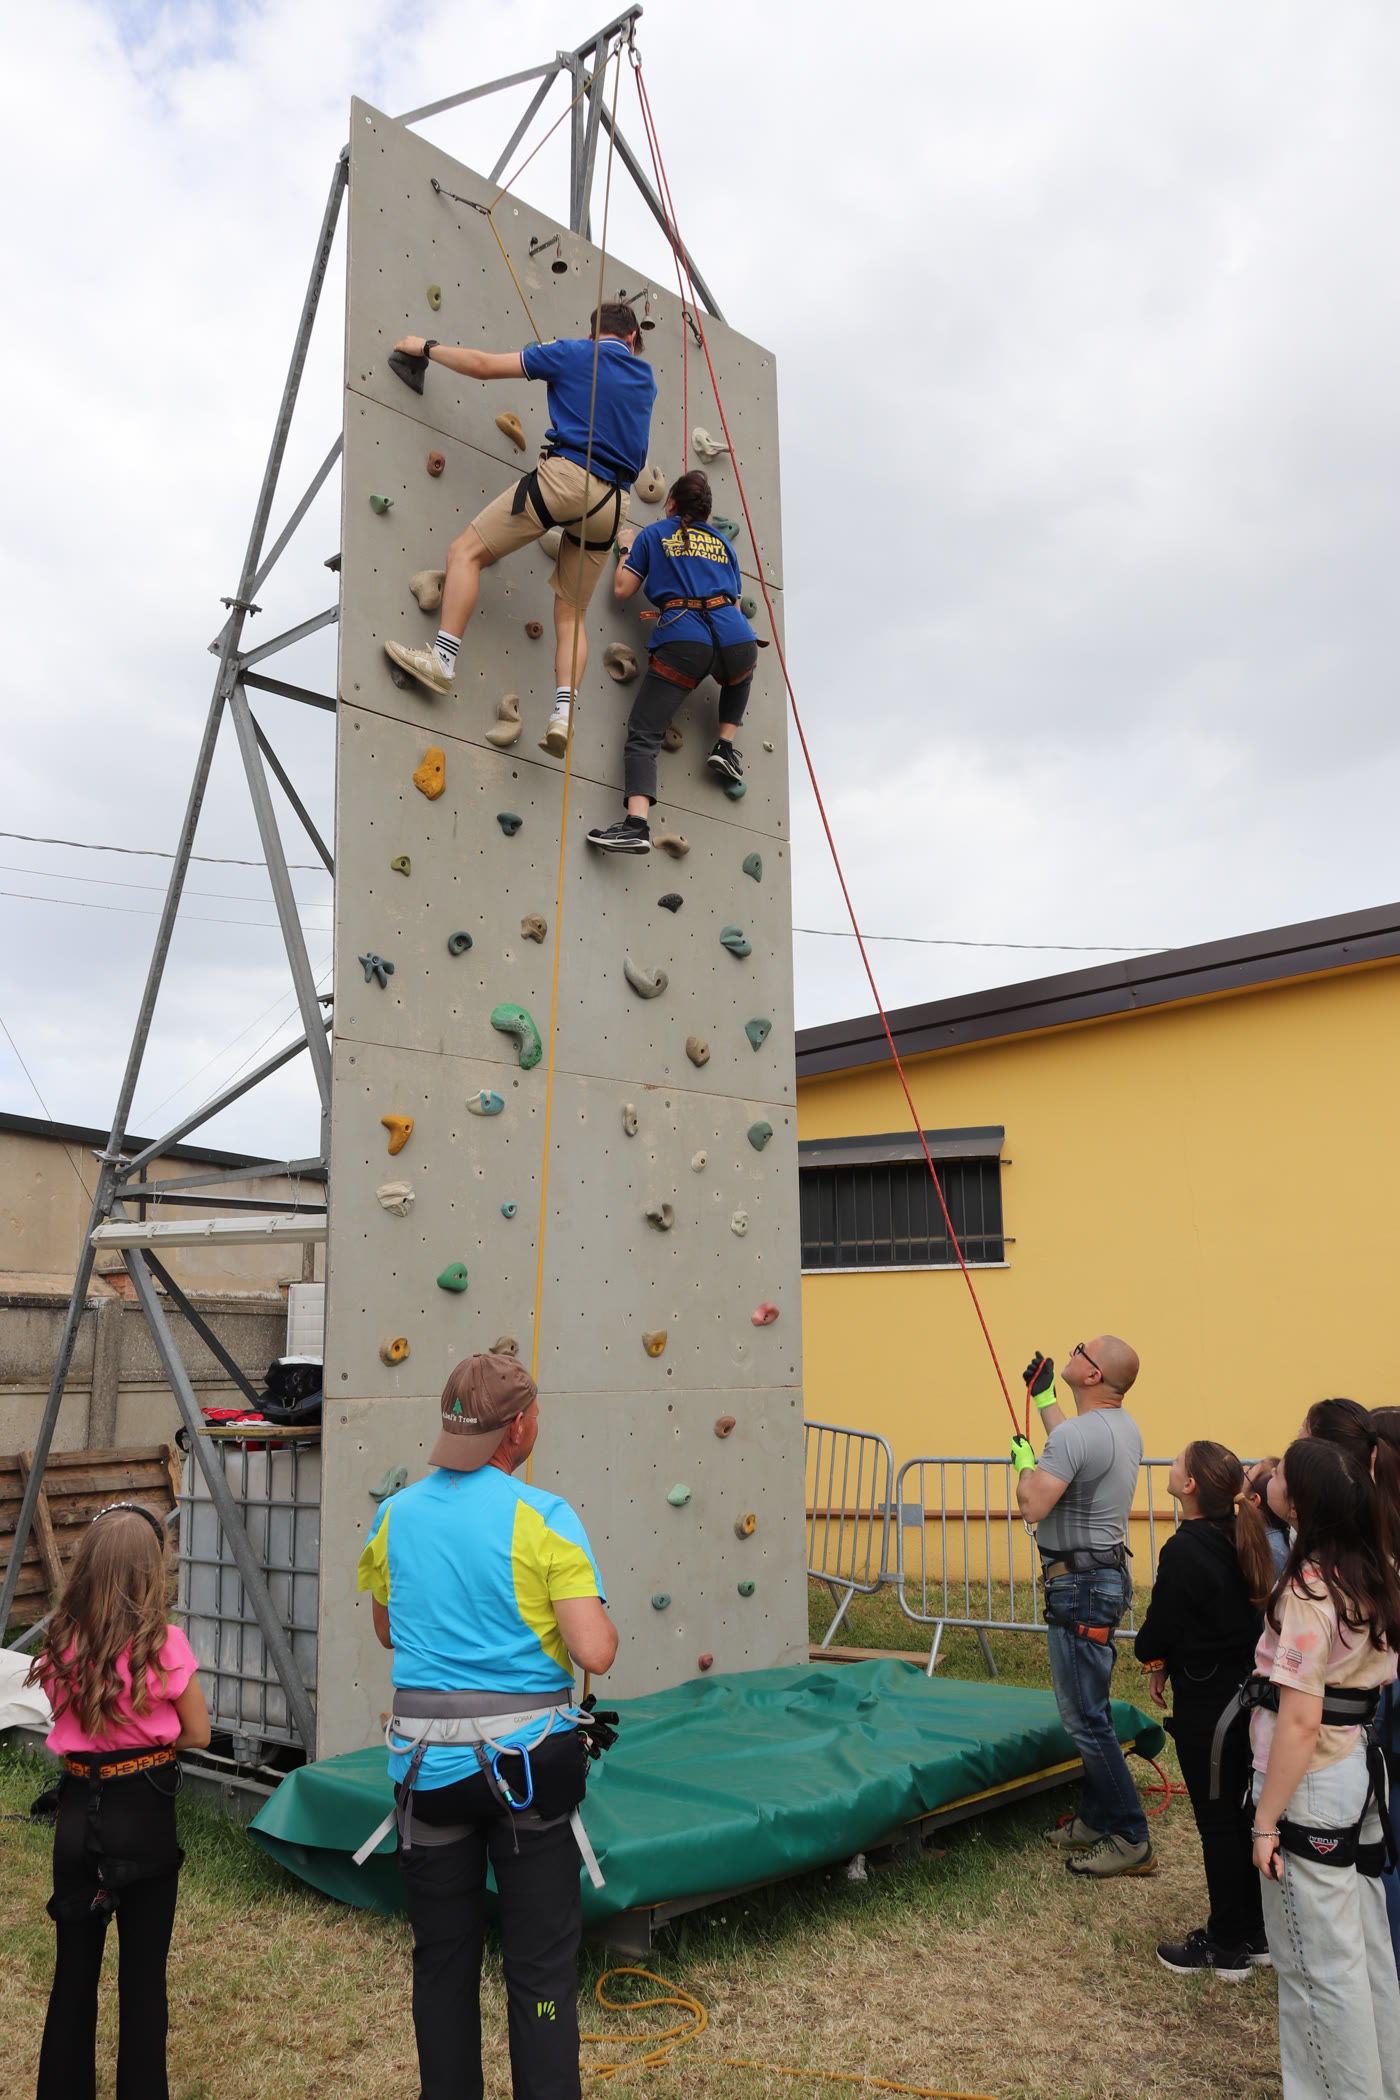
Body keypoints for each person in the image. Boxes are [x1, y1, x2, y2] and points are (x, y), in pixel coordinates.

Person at [356, 1352, 618, 2100]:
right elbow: (594, 1651)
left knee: (442, 1964)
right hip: (526, 1774)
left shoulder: (395, 1515)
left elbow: (387, 1631)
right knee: (540, 1971)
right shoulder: (545, 1517)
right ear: (520, 1427)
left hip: (426, 1773)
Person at [382, 304, 658, 755]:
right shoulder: (646, 381)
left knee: (465, 552)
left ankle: (442, 661)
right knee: (572, 614)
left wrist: (425, 346)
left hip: (566, 479)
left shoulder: (573, 352)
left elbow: (482, 366)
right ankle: (563, 715)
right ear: (632, 339)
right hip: (613, 505)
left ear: (594, 335)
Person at [27, 1502, 210, 2100]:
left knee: (73, 1974)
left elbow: (67, 1716)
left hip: (77, 1812)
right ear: (148, 1571)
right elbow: (198, 1732)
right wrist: (147, 1737)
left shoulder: (59, 1644)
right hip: (144, 1812)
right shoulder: (166, 1644)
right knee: (143, 1979)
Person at [1247, 1438, 1400, 2097]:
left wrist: (1266, 1822)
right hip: (1355, 1770)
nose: (1270, 1473)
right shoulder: (1373, 1571)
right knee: (1363, 1950)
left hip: (1310, 1781)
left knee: (1316, 1967)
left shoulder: (1310, 1592)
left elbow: (1300, 1720)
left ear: (1300, 1504)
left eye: (1281, 1470)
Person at [1012, 1337, 1156, 1878]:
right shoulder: (1121, 1426)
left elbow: (1034, 1504)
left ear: (1094, 1376)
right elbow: (1074, 1449)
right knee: (1092, 1710)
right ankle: (1096, 1819)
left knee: (1084, 1718)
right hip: (1100, 1580)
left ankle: (1131, 1836)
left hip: (1079, 1586)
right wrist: (1045, 1399)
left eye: (1080, 1351)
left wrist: (1024, 1467)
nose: (1071, 1354)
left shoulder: (1077, 1435)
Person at [1134, 1441, 1274, 1977]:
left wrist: (1153, 1654)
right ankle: (1254, 1930)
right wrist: (1166, 1658)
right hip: (1241, 1696)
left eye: (1177, 1463)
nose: (1170, 1467)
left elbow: (1160, 1627)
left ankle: (1227, 1944)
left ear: (1190, 1486)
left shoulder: (1186, 1548)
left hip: (1211, 1703)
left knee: (1218, 1823)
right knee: (1238, 1816)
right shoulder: (1238, 1535)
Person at [585, 469, 759, 854]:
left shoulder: (653, 534)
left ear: (672, 503)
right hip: (736, 635)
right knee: (741, 675)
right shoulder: (723, 544)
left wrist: (626, 547)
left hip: (684, 639)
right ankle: (724, 746)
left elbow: (623, 589)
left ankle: (636, 825)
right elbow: (733, 604)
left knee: (645, 733)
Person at [1245, 1456, 1293, 1580]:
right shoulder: (1244, 1529)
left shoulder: (1272, 1552)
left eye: (1248, 1472)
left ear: (1253, 1499)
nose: (1244, 1468)